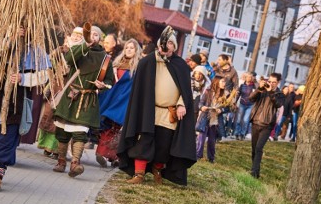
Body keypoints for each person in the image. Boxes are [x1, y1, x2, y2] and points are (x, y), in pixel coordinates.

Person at [117, 26, 197, 185]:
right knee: (143, 141)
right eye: (163, 45)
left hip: (169, 113)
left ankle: (157, 169)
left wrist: (182, 104)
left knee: (164, 145)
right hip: (149, 111)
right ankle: (139, 173)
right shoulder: (148, 62)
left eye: (170, 45)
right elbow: (140, 89)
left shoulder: (180, 65)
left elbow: (186, 91)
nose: (166, 49)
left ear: (174, 47)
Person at [0, 26, 47, 191]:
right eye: (18, 28)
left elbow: (44, 75)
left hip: (16, 100)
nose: (22, 31)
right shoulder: (1, 43)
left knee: (6, 138)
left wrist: (23, 77)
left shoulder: (35, 51)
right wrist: (11, 40)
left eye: (25, 29)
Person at [52, 24, 114, 178]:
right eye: (90, 34)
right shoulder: (78, 49)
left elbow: (110, 81)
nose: (92, 36)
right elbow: (68, 60)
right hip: (70, 96)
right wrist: (84, 45)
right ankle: (61, 160)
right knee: (62, 131)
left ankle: (75, 163)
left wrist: (103, 85)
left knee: (80, 132)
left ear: (99, 39)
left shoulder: (105, 59)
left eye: (95, 35)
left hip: (87, 98)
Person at [95, 38, 142, 167]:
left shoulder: (138, 67)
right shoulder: (116, 64)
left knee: (118, 129)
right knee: (107, 126)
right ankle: (101, 153)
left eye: (132, 48)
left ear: (136, 50)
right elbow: (110, 81)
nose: (129, 50)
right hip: (112, 98)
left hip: (125, 102)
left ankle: (115, 156)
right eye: (127, 47)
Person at [248, 73, 284, 178]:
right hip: (256, 121)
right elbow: (251, 98)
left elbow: (278, 104)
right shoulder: (262, 89)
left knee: (259, 148)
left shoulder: (279, 94)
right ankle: (255, 170)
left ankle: (254, 173)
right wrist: (259, 89)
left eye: (274, 82)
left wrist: (271, 92)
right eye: (270, 81)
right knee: (254, 148)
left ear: (278, 83)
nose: (271, 84)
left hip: (267, 124)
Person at [196, 76, 234, 163]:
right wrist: (202, 107)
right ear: (216, 82)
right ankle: (198, 155)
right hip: (205, 117)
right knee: (201, 138)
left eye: (224, 82)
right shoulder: (208, 91)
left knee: (212, 140)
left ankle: (211, 158)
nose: (224, 84)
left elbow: (228, 107)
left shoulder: (225, 94)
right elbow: (200, 103)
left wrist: (221, 110)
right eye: (222, 82)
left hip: (215, 120)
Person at [234, 72, 256, 140]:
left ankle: (242, 134)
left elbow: (255, 95)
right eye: (248, 77)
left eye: (250, 77)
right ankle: (237, 133)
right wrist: (235, 102)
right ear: (245, 78)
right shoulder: (242, 86)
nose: (249, 78)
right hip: (242, 104)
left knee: (245, 120)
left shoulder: (253, 86)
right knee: (238, 119)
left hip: (250, 105)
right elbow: (238, 94)